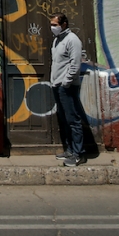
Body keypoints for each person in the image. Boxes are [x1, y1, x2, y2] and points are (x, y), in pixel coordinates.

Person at [49, 13, 87, 167]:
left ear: (64, 24)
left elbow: (75, 63)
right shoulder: (57, 40)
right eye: (51, 24)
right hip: (57, 84)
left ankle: (79, 153)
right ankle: (70, 149)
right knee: (64, 119)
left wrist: (66, 82)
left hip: (67, 86)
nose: (52, 27)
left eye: (55, 24)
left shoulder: (72, 40)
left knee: (73, 119)